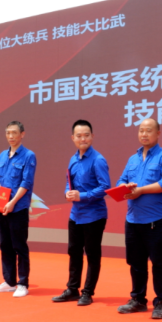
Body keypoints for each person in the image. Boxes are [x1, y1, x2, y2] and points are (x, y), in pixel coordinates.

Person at [115, 118, 162, 319]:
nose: (144, 134)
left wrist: (141, 190)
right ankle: (138, 299)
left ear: (158, 133)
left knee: (159, 263)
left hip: (155, 221)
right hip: (133, 220)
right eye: (141, 130)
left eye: (148, 130)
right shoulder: (132, 159)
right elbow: (122, 180)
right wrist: (124, 187)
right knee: (136, 263)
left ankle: (161, 302)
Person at [52, 120, 111, 306]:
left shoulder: (98, 160)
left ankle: (87, 292)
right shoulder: (73, 159)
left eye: (86, 135)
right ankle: (72, 289)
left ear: (92, 136)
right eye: (79, 136)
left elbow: (105, 187)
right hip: (75, 215)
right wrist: (67, 192)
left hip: (94, 215)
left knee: (92, 254)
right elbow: (68, 181)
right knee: (74, 252)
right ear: (73, 138)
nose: (82, 139)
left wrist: (82, 196)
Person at [0, 121, 37, 298]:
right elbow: (0, 181)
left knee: (19, 245)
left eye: (14, 133)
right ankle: (9, 282)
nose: (11, 136)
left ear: (22, 134)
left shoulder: (28, 155)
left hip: (18, 208)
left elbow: (26, 182)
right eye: (8, 133)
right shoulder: (2, 155)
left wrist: (13, 202)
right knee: (5, 245)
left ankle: (22, 283)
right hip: (3, 208)